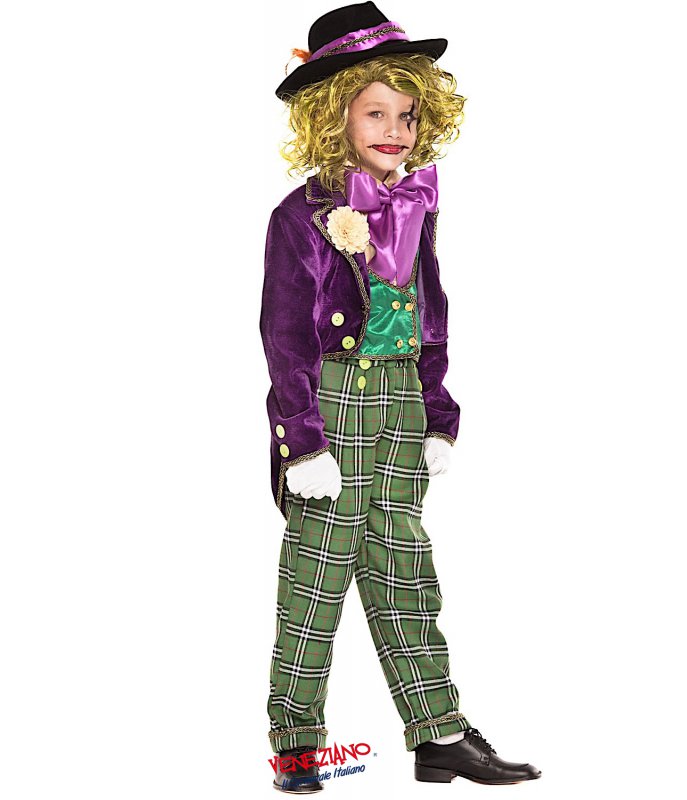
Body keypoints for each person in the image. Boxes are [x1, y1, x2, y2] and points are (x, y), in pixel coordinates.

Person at [261, 2, 541, 791]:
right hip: (334, 405)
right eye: (375, 113)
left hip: (402, 404)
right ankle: (296, 747)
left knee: (405, 571)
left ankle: (439, 733)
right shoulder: (300, 217)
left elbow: (429, 315)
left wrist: (438, 415)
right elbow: (283, 335)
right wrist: (301, 442)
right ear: (334, 116)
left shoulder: (416, 205)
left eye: (408, 115)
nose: (395, 130)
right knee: (316, 582)